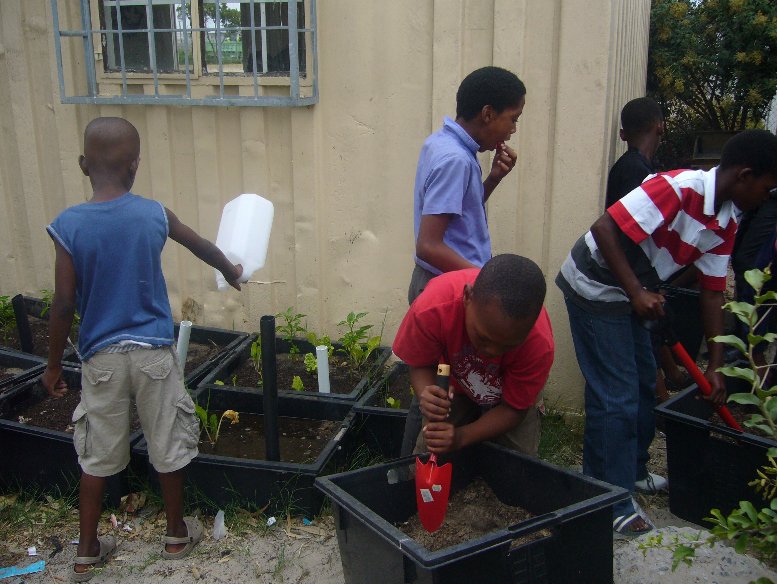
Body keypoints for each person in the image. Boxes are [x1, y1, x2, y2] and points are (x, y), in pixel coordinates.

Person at [41, 117, 243, 582]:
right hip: (153, 353)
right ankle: (175, 534)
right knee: (167, 442)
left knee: (96, 454)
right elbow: (201, 246)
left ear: (82, 165)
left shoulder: (68, 225)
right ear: (135, 167)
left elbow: (64, 302)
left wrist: (53, 366)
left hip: (101, 360)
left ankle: (87, 551)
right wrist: (231, 269)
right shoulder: (153, 213)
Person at [556, 129, 777, 537]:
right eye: (767, 188)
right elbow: (605, 228)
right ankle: (606, 501)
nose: (767, 199)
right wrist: (637, 291)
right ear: (745, 175)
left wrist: (715, 366)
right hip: (593, 284)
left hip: (632, 292)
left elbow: (712, 292)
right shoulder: (677, 188)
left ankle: (633, 472)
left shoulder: (727, 219)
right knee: (615, 396)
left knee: (643, 385)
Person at [402, 66, 539, 455]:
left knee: (442, 386)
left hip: (447, 279)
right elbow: (429, 244)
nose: (512, 130)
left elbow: (459, 216)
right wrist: (485, 281)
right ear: (488, 113)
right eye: (513, 119)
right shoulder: (457, 161)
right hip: (444, 286)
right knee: (431, 393)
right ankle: (409, 470)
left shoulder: (442, 145)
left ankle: (423, 464)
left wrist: (492, 179)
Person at [393, 254, 554, 456]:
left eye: (509, 346)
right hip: (454, 386)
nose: (493, 353)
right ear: (468, 297)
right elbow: (419, 363)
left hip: (507, 401)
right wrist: (427, 394)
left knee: (519, 463)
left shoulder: (538, 343)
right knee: (430, 452)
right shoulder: (433, 308)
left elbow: (514, 409)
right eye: (483, 338)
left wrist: (462, 436)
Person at [605, 96, 693, 402]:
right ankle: (662, 400)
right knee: (647, 338)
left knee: (653, 334)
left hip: (635, 274)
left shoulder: (635, 167)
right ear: (660, 126)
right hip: (632, 275)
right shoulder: (637, 173)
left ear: (623, 133)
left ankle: (669, 383)